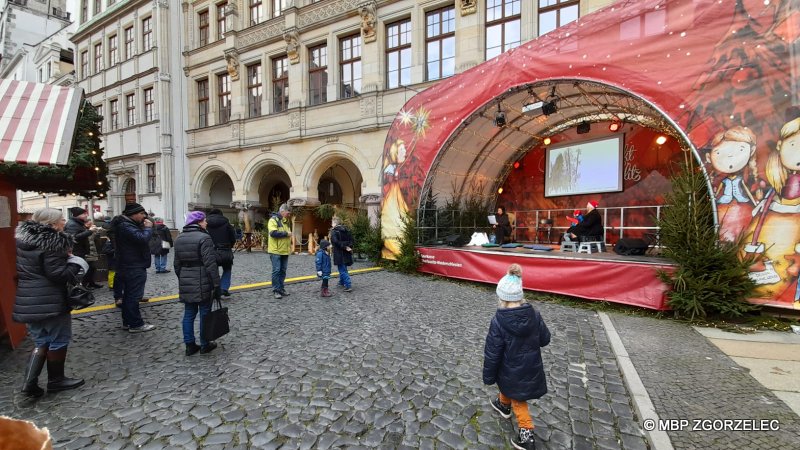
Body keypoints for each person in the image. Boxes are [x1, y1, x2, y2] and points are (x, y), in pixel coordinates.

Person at [14, 208, 86, 397]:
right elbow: (58, 274)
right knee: (59, 339)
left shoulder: (24, 240)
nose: (64, 221)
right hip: (50, 299)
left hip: (29, 299)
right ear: (52, 224)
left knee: (41, 339)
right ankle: (56, 380)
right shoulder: (53, 242)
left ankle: (29, 383)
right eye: (61, 219)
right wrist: (75, 263)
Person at [483, 264, 551, 450]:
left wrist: (488, 376)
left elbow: (492, 352)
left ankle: (526, 433)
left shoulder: (498, 321)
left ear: (502, 298)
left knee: (519, 400)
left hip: (511, 369)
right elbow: (545, 339)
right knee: (508, 384)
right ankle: (503, 405)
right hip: (531, 367)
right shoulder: (534, 314)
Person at [173, 211, 221, 355]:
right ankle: (205, 344)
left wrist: (183, 278)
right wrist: (216, 284)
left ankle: (190, 345)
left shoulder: (179, 238)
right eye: (205, 220)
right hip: (202, 279)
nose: (206, 223)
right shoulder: (204, 238)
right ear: (199, 222)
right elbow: (210, 264)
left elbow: (176, 264)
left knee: (189, 313)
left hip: (186, 279)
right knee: (205, 313)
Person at [111, 203, 156, 333]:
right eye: (142, 214)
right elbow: (142, 239)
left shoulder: (126, 225)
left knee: (128, 295)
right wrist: (148, 228)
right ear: (134, 214)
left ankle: (128, 322)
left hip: (129, 264)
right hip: (133, 265)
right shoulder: (126, 226)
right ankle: (136, 324)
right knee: (133, 296)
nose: (144, 216)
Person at [64, 207, 101, 288]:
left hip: (81, 250)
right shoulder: (72, 224)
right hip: (76, 251)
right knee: (80, 270)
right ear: (78, 215)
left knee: (89, 268)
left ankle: (86, 285)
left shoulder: (77, 223)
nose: (86, 215)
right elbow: (74, 237)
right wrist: (89, 231)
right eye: (84, 214)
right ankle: (80, 288)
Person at [206, 208, 236, 297]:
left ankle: (214, 289)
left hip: (210, 251)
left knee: (212, 271)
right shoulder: (226, 223)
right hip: (225, 250)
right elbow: (233, 238)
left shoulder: (205, 224)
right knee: (227, 269)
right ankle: (223, 288)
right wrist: (229, 246)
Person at [267, 203, 292, 299]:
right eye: (287, 213)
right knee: (276, 271)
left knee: (283, 271)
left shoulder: (285, 221)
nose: (288, 215)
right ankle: (276, 290)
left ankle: (281, 288)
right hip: (275, 251)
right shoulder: (273, 220)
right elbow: (273, 233)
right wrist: (286, 234)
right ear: (282, 211)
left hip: (284, 251)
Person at [330, 216, 354, 292]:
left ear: (334, 223)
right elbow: (351, 240)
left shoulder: (334, 231)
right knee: (343, 268)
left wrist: (344, 247)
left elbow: (335, 242)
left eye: (332, 222)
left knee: (342, 269)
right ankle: (341, 282)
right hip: (346, 253)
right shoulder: (346, 230)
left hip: (339, 253)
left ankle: (348, 285)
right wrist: (348, 247)